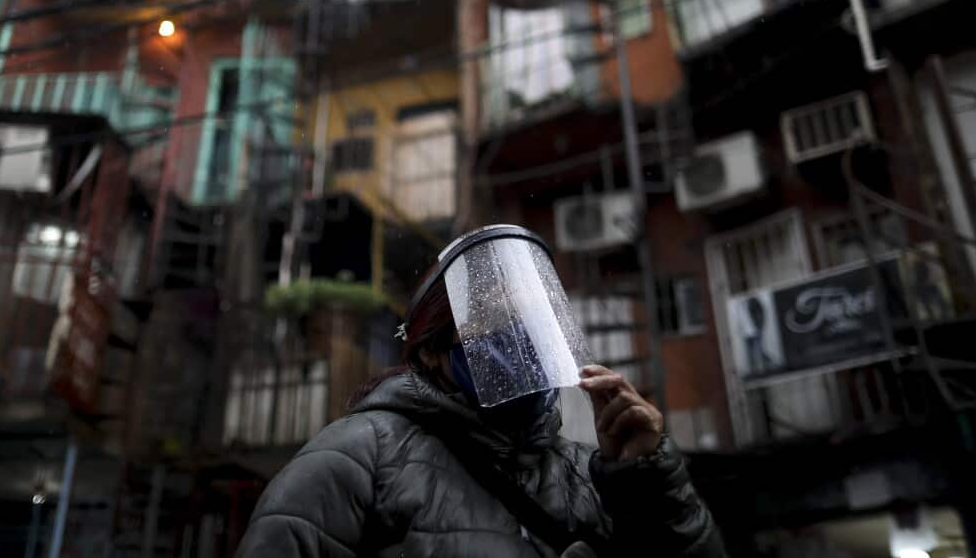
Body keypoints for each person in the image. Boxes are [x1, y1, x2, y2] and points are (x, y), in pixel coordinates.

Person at [237, 225, 725, 557]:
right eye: (495, 320)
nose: (521, 339)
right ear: (433, 350)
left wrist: (649, 482)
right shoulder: (359, 457)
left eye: (533, 322)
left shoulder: (588, 473)